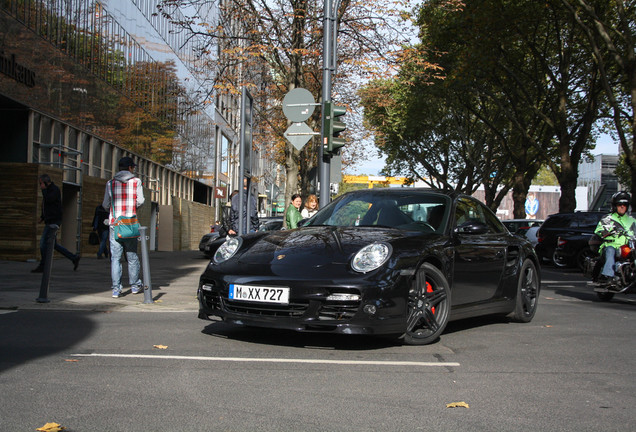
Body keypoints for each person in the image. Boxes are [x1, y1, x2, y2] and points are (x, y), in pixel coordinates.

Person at [102, 157, 145, 298]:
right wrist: (131, 208)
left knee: (115, 258)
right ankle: (134, 286)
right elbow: (141, 201)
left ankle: (116, 289)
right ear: (130, 168)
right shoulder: (136, 182)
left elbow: (105, 204)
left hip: (115, 224)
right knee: (132, 256)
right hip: (130, 223)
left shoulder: (110, 183)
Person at [31, 174, 80, 273]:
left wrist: (44, 190)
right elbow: (45, 206)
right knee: (53, 244)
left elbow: (50, 200)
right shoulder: (48, 191)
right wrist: (42, 217)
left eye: (41, 183)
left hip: (54, 220)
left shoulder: (54, 190)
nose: (40, 186)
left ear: (45, 182)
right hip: (50, 220)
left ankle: (43, 265)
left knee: (43, 243)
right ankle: (74, 258)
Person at [594, 191, 636, 283]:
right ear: (614, 206)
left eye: (625, 204)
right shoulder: (607, 219)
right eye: (619, 204)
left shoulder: (632, 220)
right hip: (611, 245)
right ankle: (607, 276)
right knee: (610, 250)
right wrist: (606, 232)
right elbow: (599, 231)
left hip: (628, 247)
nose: (622, 206)